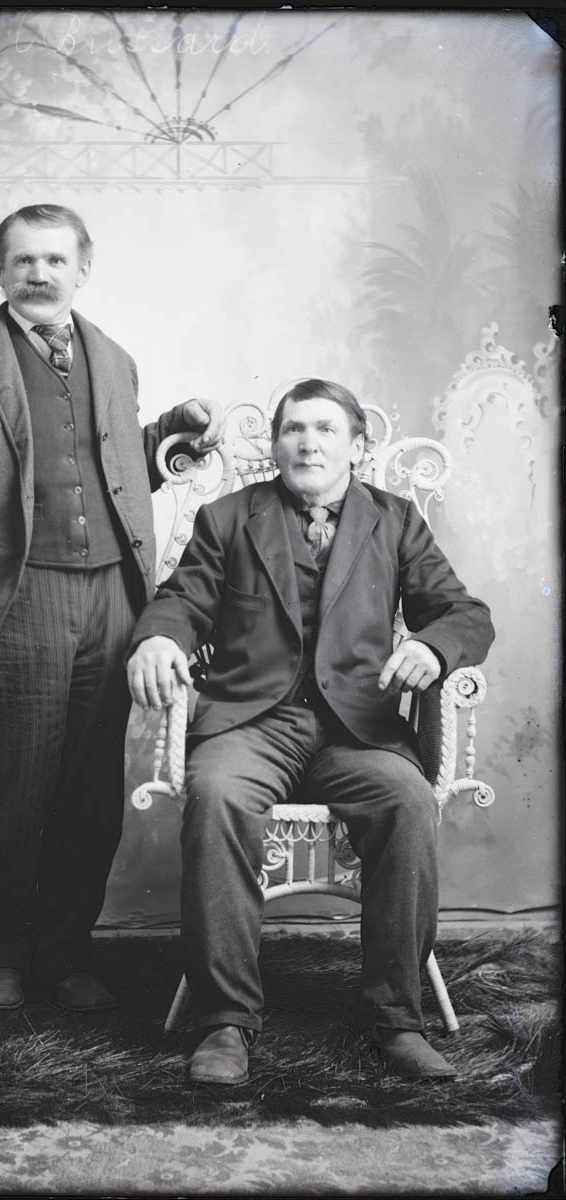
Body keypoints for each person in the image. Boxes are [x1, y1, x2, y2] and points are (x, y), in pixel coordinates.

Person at [0, 203, 222, 1012]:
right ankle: (1, 954)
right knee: (15, 789)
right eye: (23, 261)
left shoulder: (112, 357)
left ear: (83, 269)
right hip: (18, 599)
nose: (39, 274)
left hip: (113, 598)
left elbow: (113, 468)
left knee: (89, 793)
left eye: (54, 260)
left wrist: (171, 433)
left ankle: (66, 952)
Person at [126, 378, 494, 1083]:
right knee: (217, 796)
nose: (308, 443)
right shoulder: (228, 517)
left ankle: (396, 1019)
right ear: (275, 445)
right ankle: (225, 1021)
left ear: (356, 447)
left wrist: (432, 647)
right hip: (251, 723)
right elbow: (182, 600)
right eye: (294, 429)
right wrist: (159, 638)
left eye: (326, 429)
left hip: (357, 729)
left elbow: (464, 613)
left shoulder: (394, 519)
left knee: (406, 800)